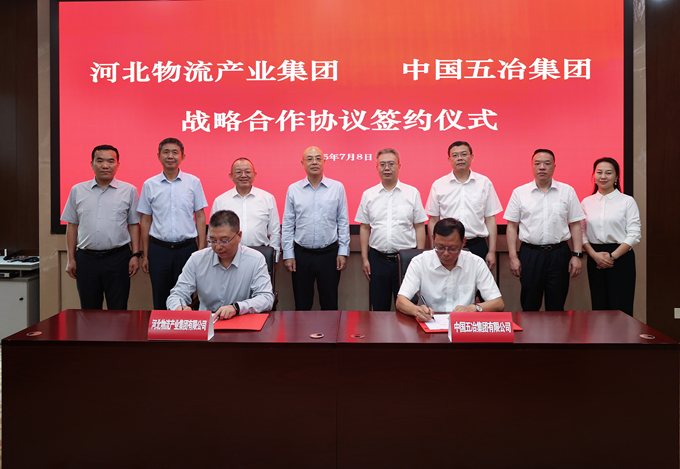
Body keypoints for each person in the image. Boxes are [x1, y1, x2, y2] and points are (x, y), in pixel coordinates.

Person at [61, 144, 141, 310]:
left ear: (118, 165)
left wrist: (135, 255)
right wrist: (71, 259)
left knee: (118, 311)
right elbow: (72, 225)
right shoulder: (77, 190)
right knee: (89, 311)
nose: (105, 165)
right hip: (86, 259)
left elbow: (134, 225)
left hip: (118, 259)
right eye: (100, 161)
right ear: (92, 164)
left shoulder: (129, 190)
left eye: (111, 161)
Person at [504, 149, 585, 311]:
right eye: (537, 163)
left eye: (547, 163)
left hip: (559, 254)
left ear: (554, 167)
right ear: (532, 166)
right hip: (530, 254)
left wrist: (577, 255)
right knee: (529, 304)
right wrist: (513, 257)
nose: (542, 167)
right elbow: (512, 226)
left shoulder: (567, 191)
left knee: (556, 305)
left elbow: (576, 224)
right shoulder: (520, 193)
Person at [138, 138, 208, 310]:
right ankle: (163, 328)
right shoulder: (150, 184)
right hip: (159, 250)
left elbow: (200, 216)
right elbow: (145, 220)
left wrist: (201, 249)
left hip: (187, 250)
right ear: (159, 156)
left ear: (182, 157)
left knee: (187, 297)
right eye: (166, 152)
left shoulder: (193, 182)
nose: (170, 156)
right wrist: (145, 254)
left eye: (175, 152)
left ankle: (185, 328)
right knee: (160, 296)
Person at [355, 148, 427, 311]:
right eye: (382, 164)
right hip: (377, 259)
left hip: (406, 260)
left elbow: (419, 225)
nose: (386, 168)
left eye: (391, 164)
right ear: (377, 168)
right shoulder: (368, 194)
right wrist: (365, 259)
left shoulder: (412, 193)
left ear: (399, 166)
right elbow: (365, 227)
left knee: (408, 308)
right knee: (379, 308)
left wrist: (419, 257)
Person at [167, 210, 274, 318]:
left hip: (240, 321)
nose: (218, 247)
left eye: (224, 241)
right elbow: (177, 294)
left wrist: (236, 307)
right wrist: (178, 307)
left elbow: (266, 298)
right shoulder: (197, 259)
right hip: (207, 322)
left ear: (239, 236)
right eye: (213, 241)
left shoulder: (255, 259)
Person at [282, 146, 350, 310]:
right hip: (301, 255)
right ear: (303, 163)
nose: (314, 162)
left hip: (329, 254)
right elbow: (288, 223)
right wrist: (288, 254)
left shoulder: (337, 187)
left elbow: (343, 221)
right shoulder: (294, 189)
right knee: (302, 304)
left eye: (318, 158)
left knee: (330, 303)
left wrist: (343, 251)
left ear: (324, 162)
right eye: (310, 159)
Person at [396, 218, 503, 321]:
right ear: (433, 239)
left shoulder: (476, 263)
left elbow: (498, 303)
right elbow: (401, 301)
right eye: (440, 247)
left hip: (462, 325)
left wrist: (473, 308)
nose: (446, 253)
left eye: (453, 248)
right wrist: (417, 311)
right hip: (430, 323)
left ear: (463, 242)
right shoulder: (419, 262)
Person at [425, 141, 502, 270]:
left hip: (477, 245)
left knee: (477, 282)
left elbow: (490, 218)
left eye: (464, 154)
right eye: (455, 155)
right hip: (447, 248)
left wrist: (492, 251)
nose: (459, 158)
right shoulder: (439, 185)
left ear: (472, 157)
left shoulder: (484, 183)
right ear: (449, 160)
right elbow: (433, 220)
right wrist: (435, 249)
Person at [580, 157, 641, 316]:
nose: (603, 176)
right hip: (595, 258)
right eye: (599, 172)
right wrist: (594, 255)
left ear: (616, 177)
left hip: (621, 258)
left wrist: (612, 257)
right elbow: (581, 233)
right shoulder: (586, 202)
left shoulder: (627, 201)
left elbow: (634, 234)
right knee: (599, 306)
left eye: (608, 173)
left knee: (621, 308)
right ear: (594, 175)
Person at [211, 158, 281, 260]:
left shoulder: (267, 198)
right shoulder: (220, 201)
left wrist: (273, 256)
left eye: (248, 172)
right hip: (229, 255)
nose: (243, 175)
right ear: (231, 176)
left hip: (260, 254)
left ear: (255, 175)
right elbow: (212, 232)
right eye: (238, 172)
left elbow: (274, 232)